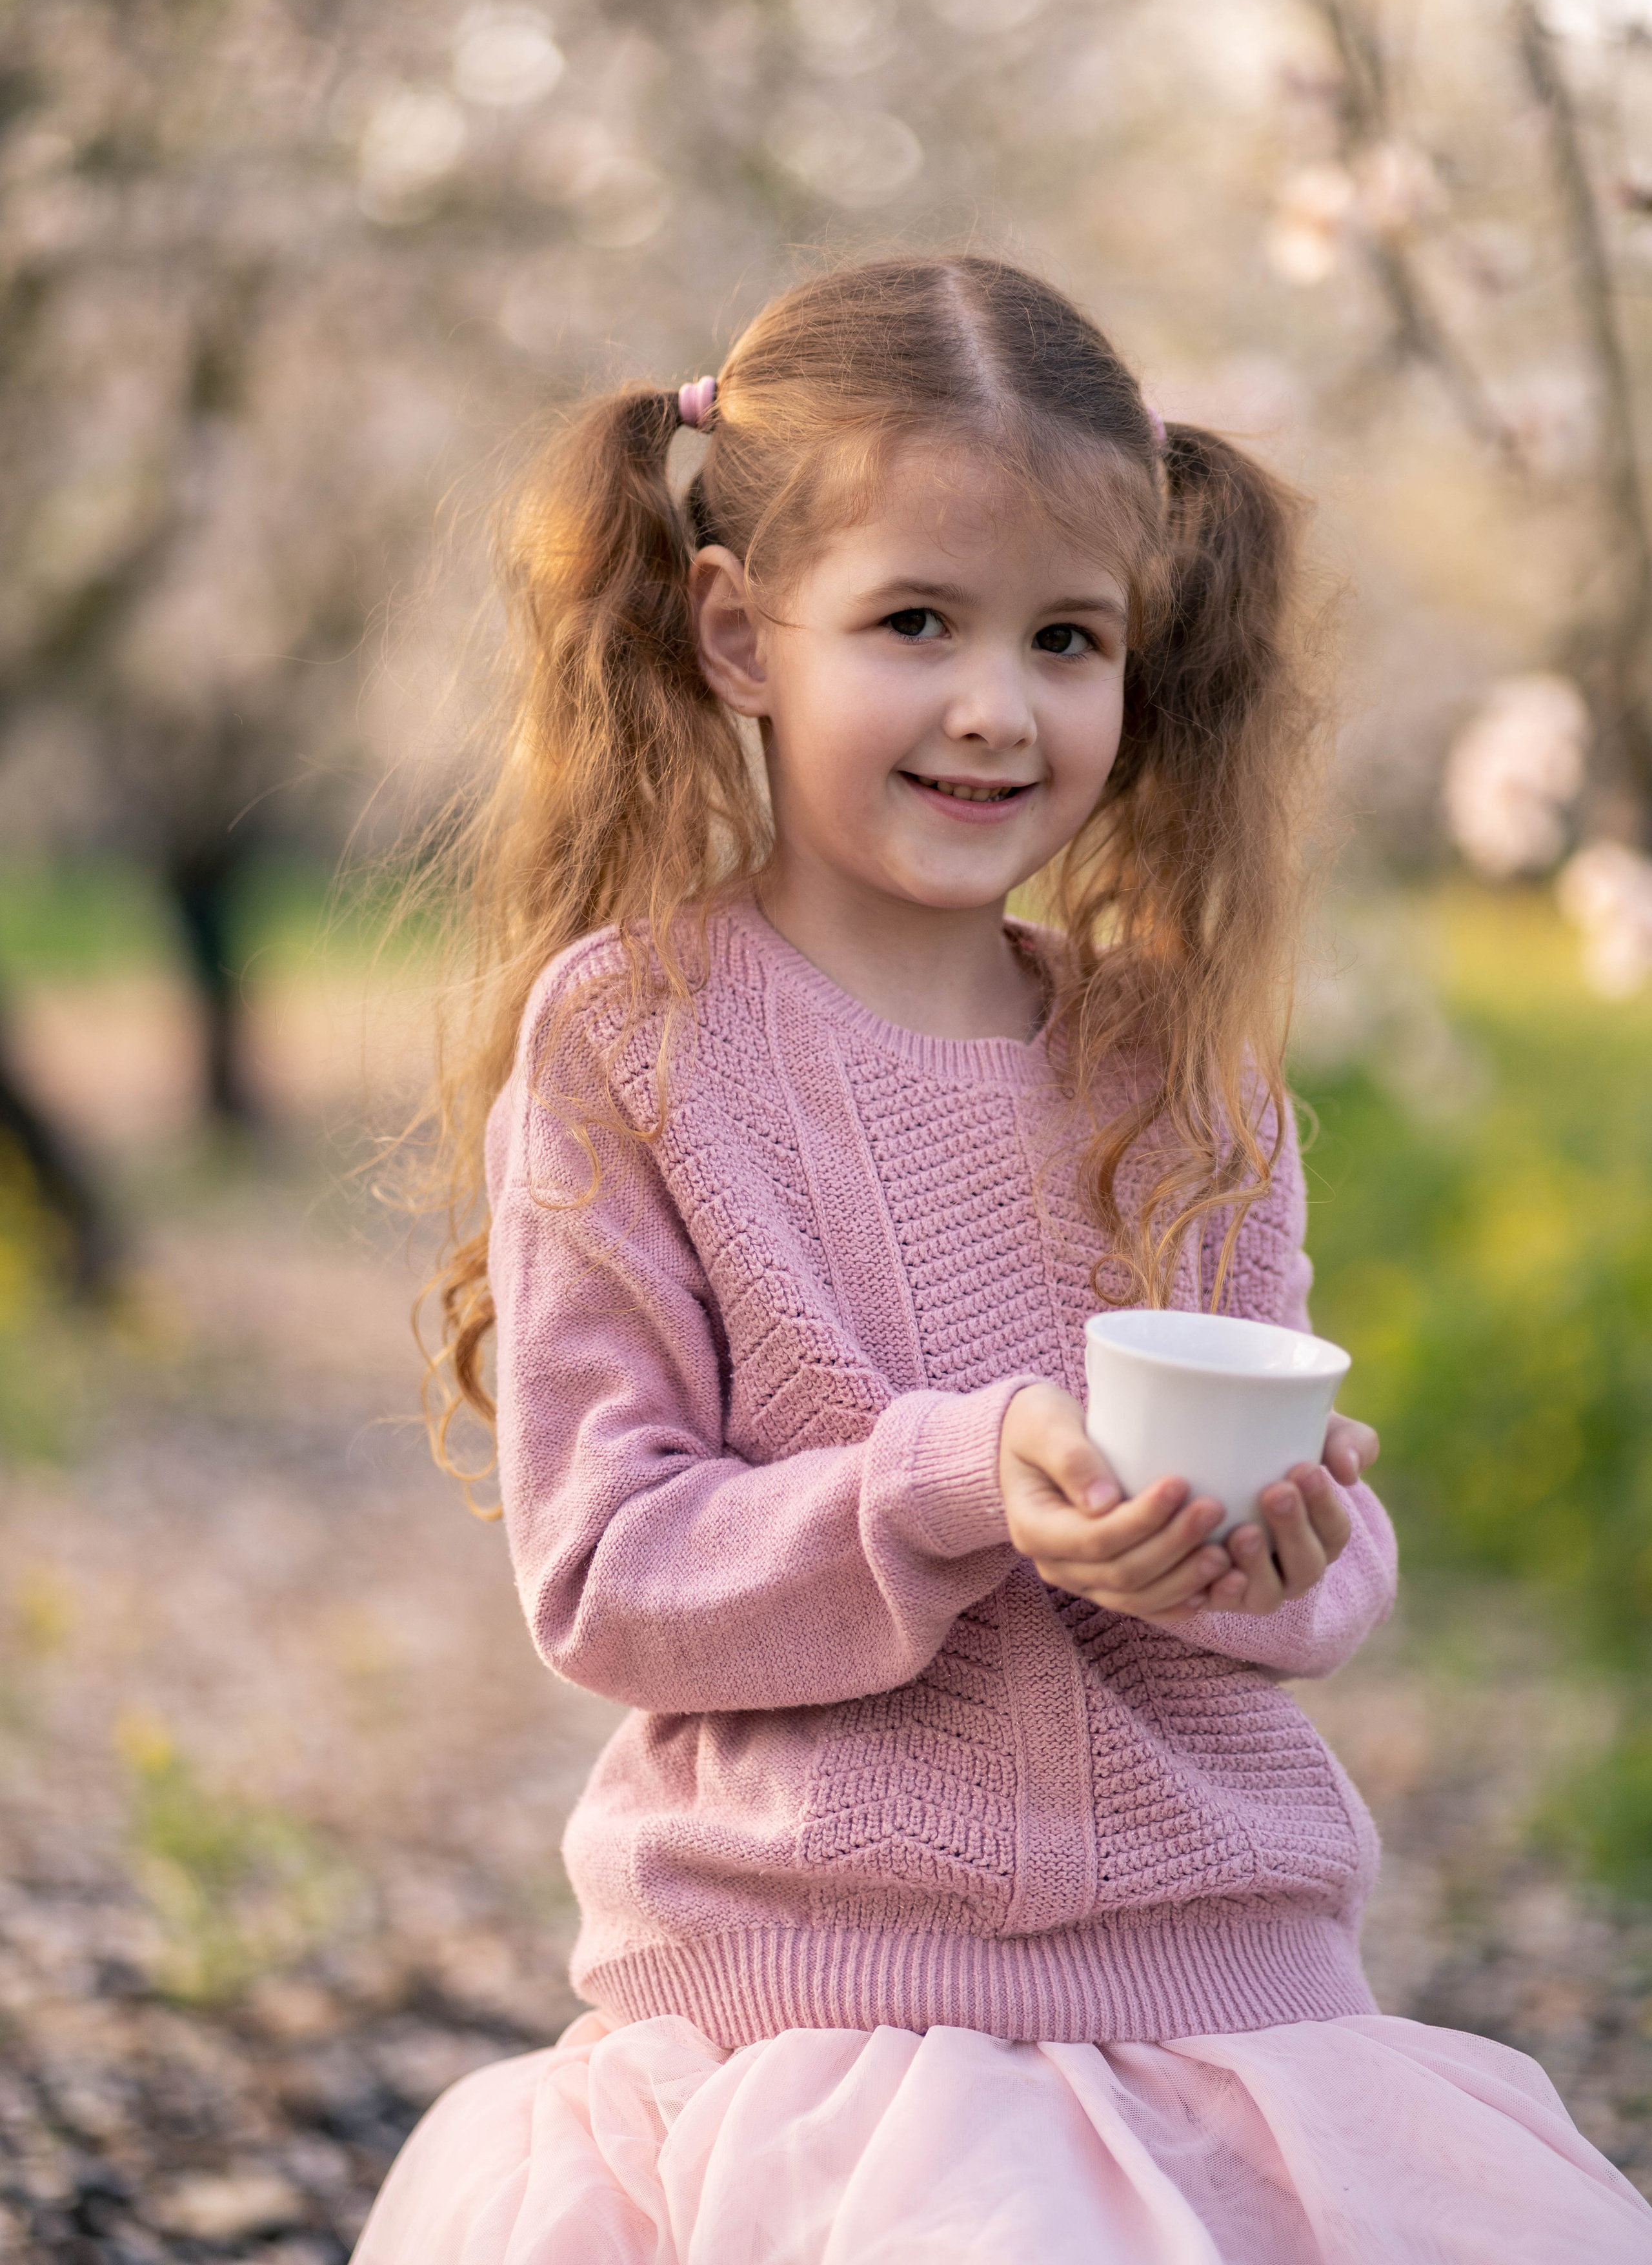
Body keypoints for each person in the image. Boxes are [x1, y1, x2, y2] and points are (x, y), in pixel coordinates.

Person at [355, 256, 1652, 2261]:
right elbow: (607, 1571)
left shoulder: (1172, 1063)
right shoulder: (637, 1044)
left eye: (1067, 637)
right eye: (913, 623)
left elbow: (1293, 1542)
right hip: (829, 2000)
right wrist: (957, 1480)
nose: (995, 704)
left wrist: (1293, 1551)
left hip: (1219, 1982)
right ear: (737, 633)